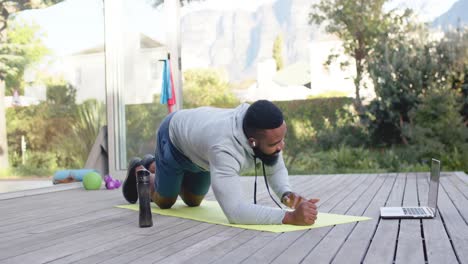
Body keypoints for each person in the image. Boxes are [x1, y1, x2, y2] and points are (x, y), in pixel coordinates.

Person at [122, 100, 319, 225]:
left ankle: (155, 165)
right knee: (166, 202)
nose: (281, 146)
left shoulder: (262, 127)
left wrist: (287, 195)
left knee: (192, 201)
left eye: (282, 139)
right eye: (276, 143)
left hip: (201, 154)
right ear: (252, 142)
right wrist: (290, 218)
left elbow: (275, 169)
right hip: (174, 140)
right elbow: (235, 212)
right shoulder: (223, 148)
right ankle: (141, 170)